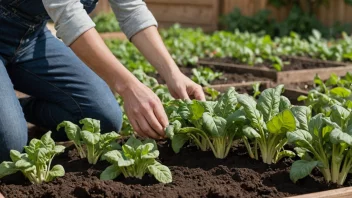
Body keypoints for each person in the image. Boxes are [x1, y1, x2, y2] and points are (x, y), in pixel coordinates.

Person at [0, 0, 205, 163]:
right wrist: (128, 87)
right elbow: (68, 14)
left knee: (102, 118)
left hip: (29, 39)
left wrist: (173, 73)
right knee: (9, 145)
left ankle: (14, 110)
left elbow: (131, 10)